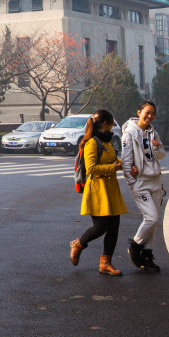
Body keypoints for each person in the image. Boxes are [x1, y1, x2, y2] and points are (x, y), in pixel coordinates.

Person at [69, 110, 127, 275]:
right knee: (100, 227)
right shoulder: (92, 143)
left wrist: (120, 164)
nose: (113, 126)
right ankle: (79, 244)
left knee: (114, 228)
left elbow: (112, 160)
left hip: (111, 188)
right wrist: (113, 167)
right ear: (106, 123)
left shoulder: (107, 141)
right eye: (112, 122)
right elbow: (92, 169)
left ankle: (105, 264)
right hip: (97, 189)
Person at [121, 100, 166, 272]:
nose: (149, 116)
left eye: (153, 113)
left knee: (154, 222)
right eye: (147, 112)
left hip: (156, 181)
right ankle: (135, 245)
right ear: (139, 112)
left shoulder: (153, 133)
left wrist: (157, 147)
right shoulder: (129, 134)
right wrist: (133, 183)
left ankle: (147, 255)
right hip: (141, 182)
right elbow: (126, 162)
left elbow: (161, 155)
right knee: (151, 218)